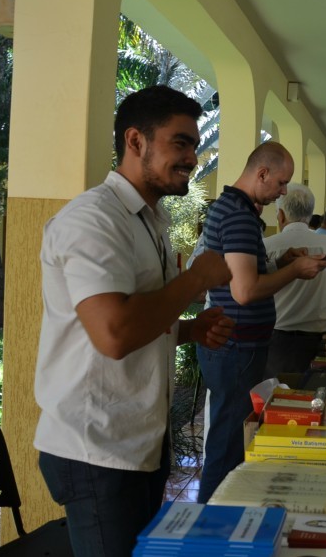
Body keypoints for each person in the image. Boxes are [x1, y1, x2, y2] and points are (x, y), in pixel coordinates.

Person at [34, 86, 235, 557]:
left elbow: (137, 319)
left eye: (194, 145)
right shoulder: (93, 219)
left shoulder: (148, 220)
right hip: (95, 448)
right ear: (136, 141)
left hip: (137, 441)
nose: (192, 157)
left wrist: (188, 330)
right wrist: (196, 279)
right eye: (180, 143)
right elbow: (115, 333)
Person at [198, 141, 326, 503]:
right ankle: (211, 526)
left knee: (230, 439)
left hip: (237, 344)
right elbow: (245, 290)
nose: (284, 192)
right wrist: (295, 270)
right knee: (226, 448)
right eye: (281, 183)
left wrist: (280, 261)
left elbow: (239, 274)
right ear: (262, 174)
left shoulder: (235, 209)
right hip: (234, 345)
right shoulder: (239, 215)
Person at [263, 184, 326, 377]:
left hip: (277, 341)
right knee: (315, 400)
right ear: (311, 215)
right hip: (320, 340)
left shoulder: (266, 246)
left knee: (277, 399)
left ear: (281, 215)